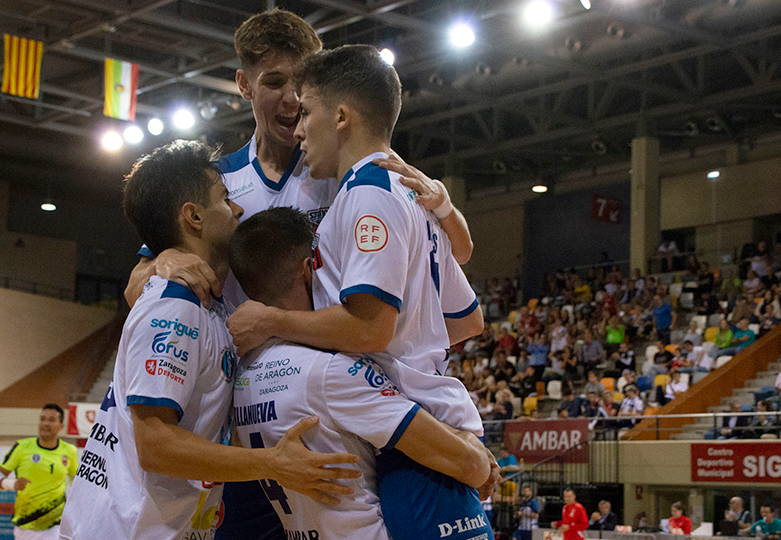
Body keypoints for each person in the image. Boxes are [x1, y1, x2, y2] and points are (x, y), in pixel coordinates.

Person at [226, 44, 498, 540]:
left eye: (307, 111)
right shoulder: (408, 194)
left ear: (342, 117)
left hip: (415, 444)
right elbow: (466, 321)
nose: (300, 128)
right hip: (426, 431)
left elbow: (372, 329)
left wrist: (270, 320)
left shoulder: (367, 193)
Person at [59, 141, 362, 540]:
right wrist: (273, 463)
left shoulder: (208, 308)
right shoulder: (174, 306)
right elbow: (157, 446)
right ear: (194, 216)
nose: (237, 209)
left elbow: (199, 429)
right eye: (225, 199)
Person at [227, 207, 493, 540]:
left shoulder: (242, 377)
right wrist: (473, 444)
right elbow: (470, 465)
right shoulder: (330, 372)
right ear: (310, 269)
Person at [0, 404, 78, 540]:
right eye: (42, 419)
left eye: (51, 420)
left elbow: (74, 480)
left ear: (61, 426)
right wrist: (12, 484)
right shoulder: (22, 447)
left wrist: (73, 504)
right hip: (26, 526)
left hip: (56, 525)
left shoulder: (70, 451)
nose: (45, 423)